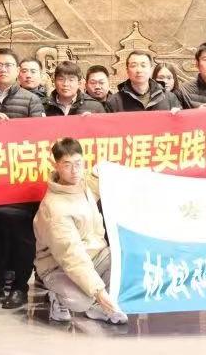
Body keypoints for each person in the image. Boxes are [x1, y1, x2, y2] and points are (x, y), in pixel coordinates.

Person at [33, 137, 129, 325]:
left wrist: (106, 170)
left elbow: (102, 180)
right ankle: (57, 298)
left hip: (94, 256)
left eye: (78, 164)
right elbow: (72, 256)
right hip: (59, 267)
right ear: (56, 165)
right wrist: (99, 293)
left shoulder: (84, 184)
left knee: (125, 260)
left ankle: (97, 308)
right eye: (67, 165)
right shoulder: (54, 208)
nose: (74, 170)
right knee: (81, 300)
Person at [0, 48, 43, 310]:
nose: (3, 69)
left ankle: (19, 287)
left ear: (17, 70)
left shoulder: (31, 100)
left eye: (8, 65)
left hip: (21, 178)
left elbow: (39, 137)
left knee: (22, 235)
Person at [109, 51, 181, 112]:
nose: (139, 70)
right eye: (134, 66)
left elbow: (180, 123)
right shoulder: (114, 101)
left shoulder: (169, 98)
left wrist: (178, 115)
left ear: (151, 69)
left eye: (143, 65)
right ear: (127, 70)